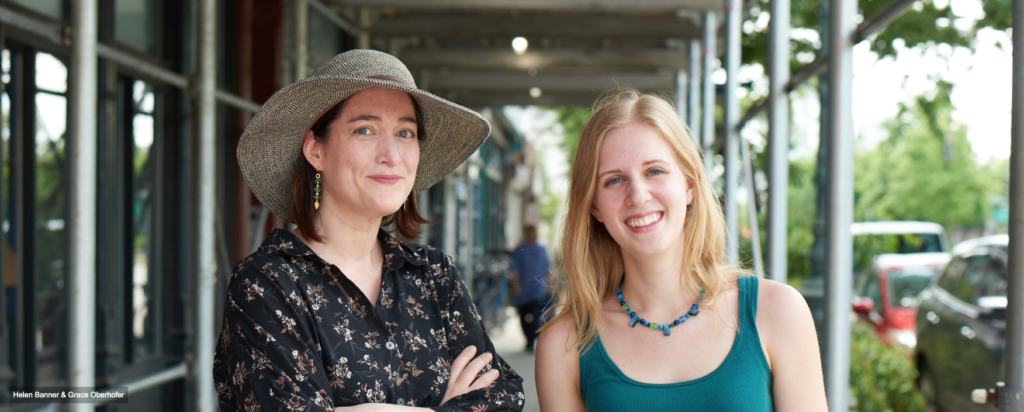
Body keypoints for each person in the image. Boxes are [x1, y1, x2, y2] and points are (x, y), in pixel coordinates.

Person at [214, 49, 525, 412]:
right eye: (366, 130)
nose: (392, 154)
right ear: (316, 150)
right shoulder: (268, 284)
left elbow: (502, 397)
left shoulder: (434, 275)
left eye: (405, 132)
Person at [534, 89, 827, 411]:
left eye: (654, 171)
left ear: (689, 185)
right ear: (594, 208)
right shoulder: (565, 344)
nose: (638, 195)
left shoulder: (777, 312)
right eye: (614, 180)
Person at [509, 225, 551, 352]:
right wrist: (516, 286)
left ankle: (533, 340)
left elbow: (547, 269)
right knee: (523, 317)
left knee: (537, 316)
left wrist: (549, 285)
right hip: (523, 290)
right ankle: (528, 338)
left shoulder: (541, 249)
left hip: (538, 290)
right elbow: (514, 270)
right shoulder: (519, 249)